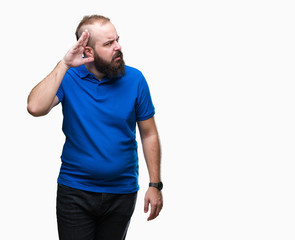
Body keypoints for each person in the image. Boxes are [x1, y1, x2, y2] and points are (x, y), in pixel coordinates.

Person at [27, 15, 163, 240]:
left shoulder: (136, 79)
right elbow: (34, 107)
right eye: (109, 43)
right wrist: (64, 64)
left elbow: (149, 133)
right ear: (88, 51)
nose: (118, 47)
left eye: (117, 39)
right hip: (75, 192)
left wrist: (155, 184)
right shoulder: (69, 77)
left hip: (122, 192)